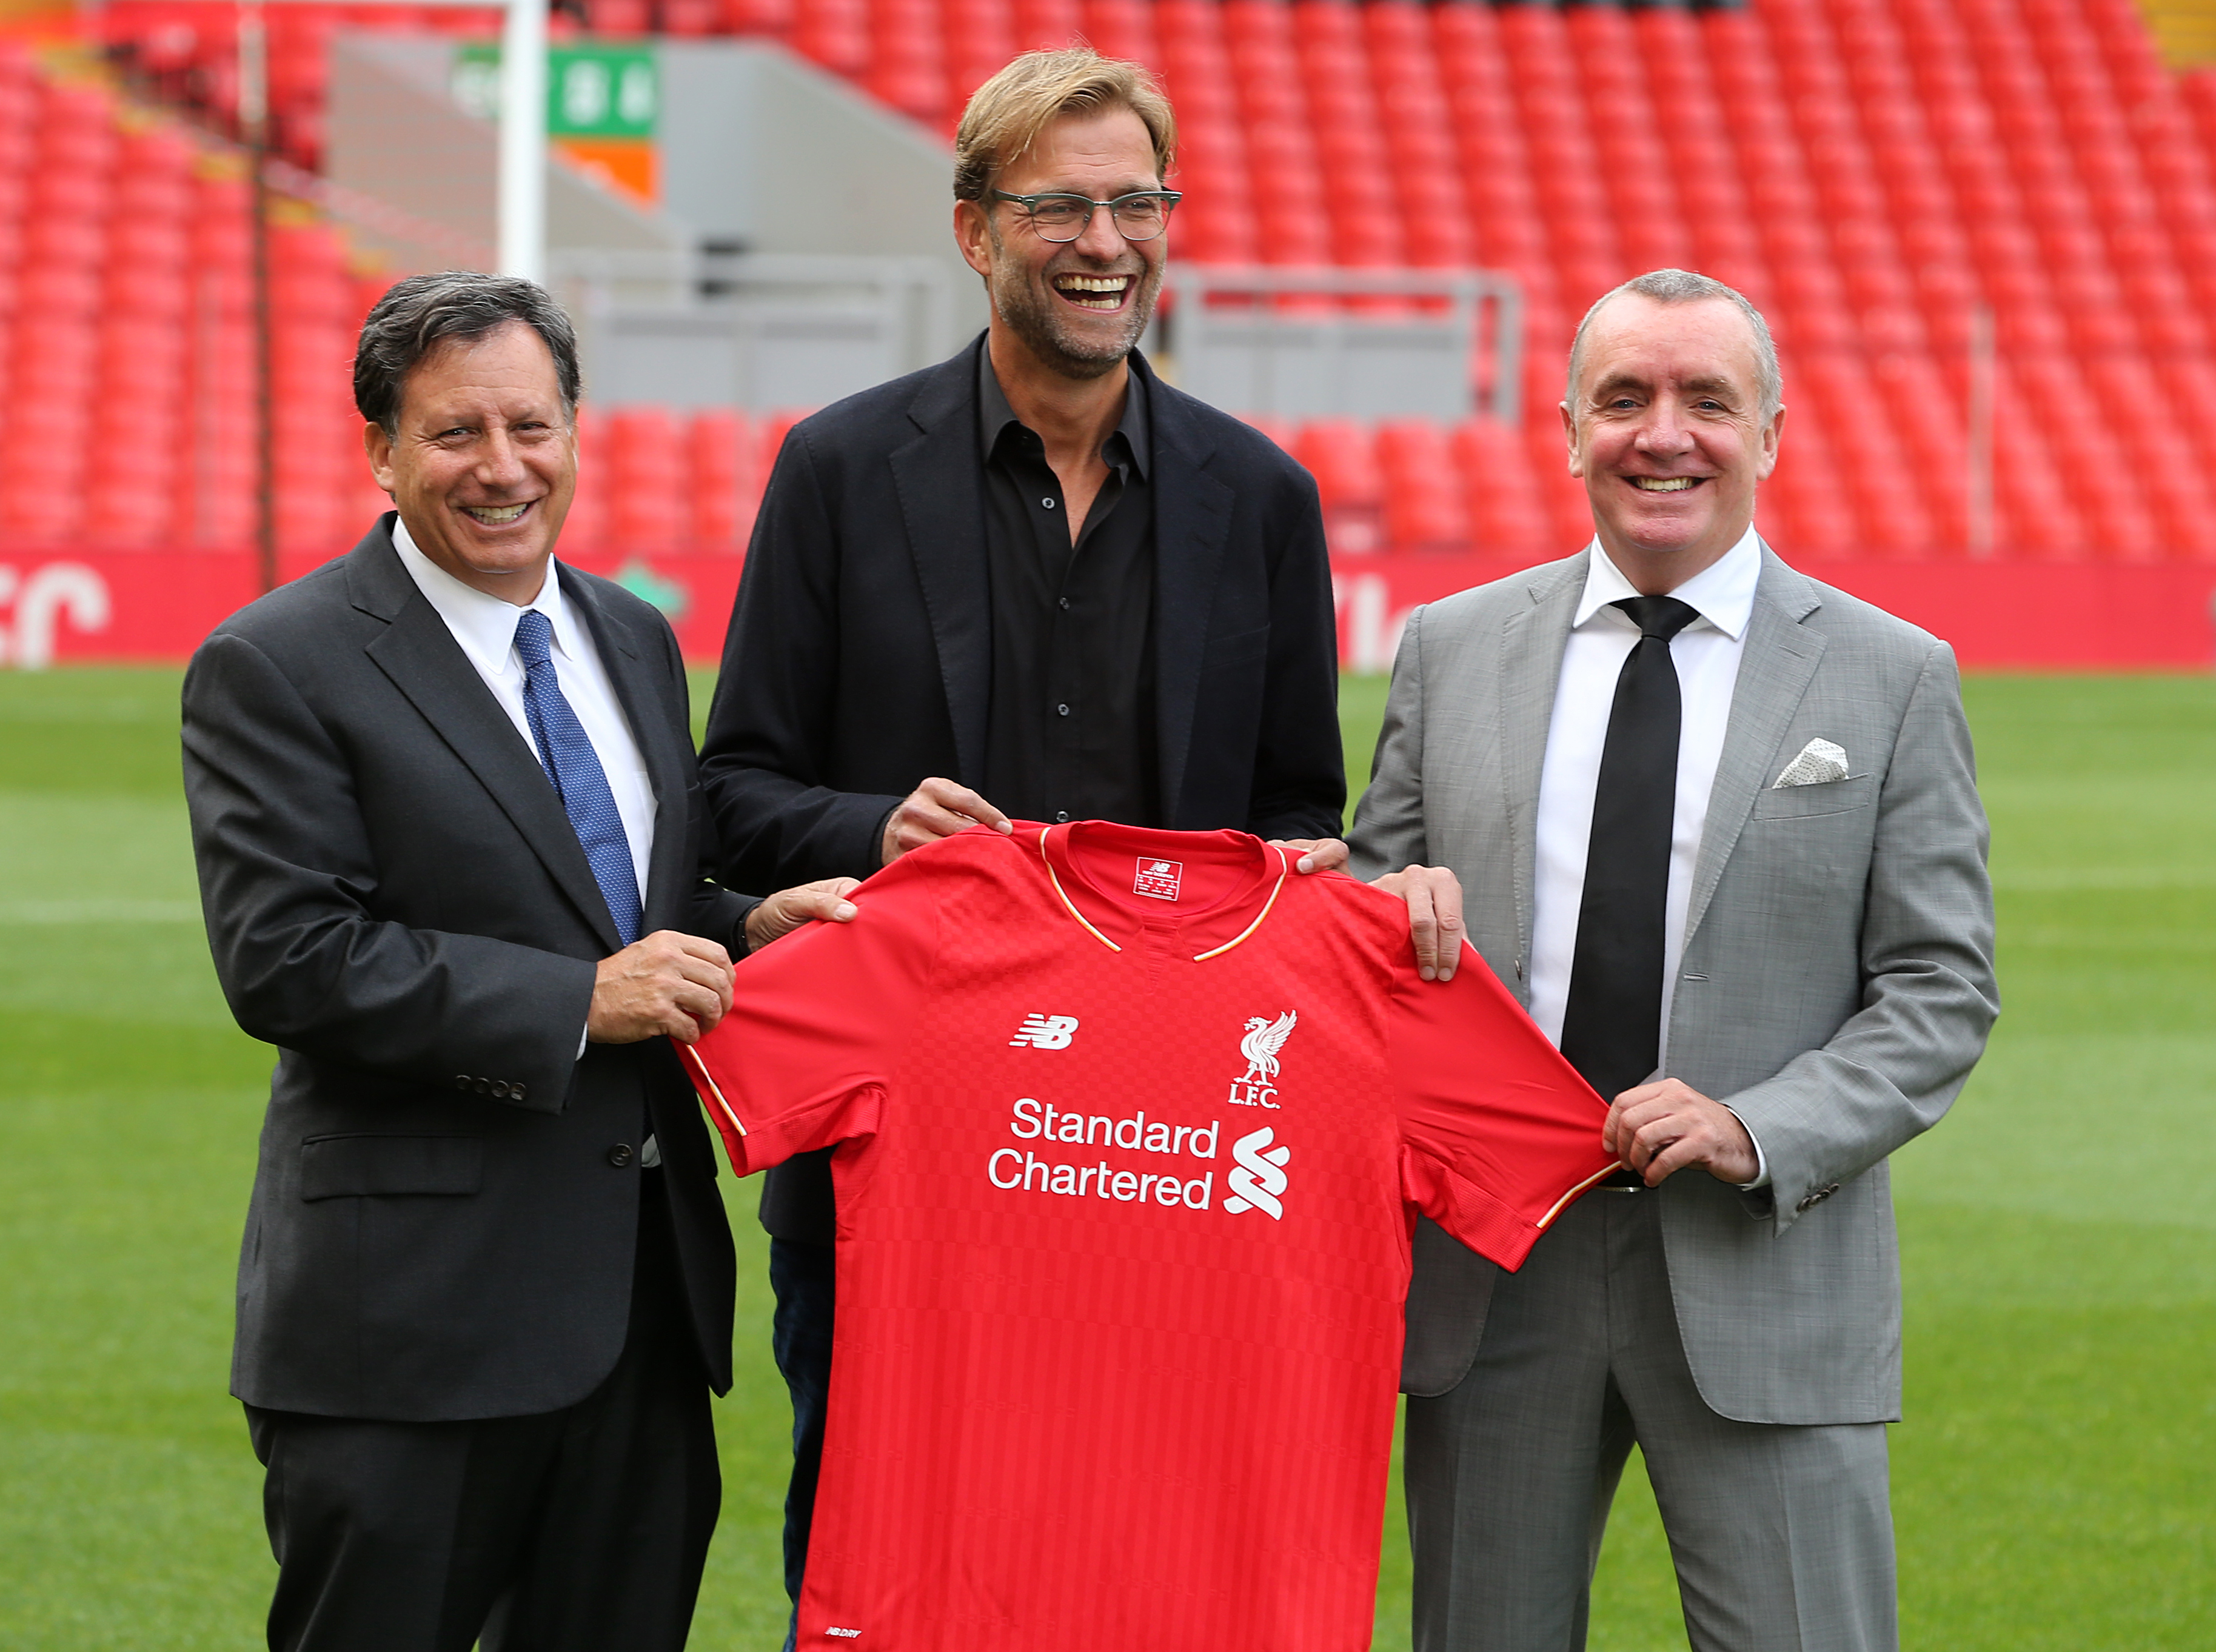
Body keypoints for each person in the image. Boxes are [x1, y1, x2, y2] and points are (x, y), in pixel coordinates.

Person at [698, 47, 1459, 1644]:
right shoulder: (839, 470)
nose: (1100, 238)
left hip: (1162, 1175)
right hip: (901, 1165)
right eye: (1058, 205)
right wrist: (868, 825)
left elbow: (1292, 821)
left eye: (1132, 201)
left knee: (1152, 1556)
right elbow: (731, 791)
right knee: (880, 1558)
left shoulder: (1260, 498)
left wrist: (1334, 885)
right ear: (974, 230)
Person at [181, 272, 854, 1651]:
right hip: (408, 1333)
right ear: (379, 448)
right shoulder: (278, 660)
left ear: (574, 428)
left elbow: (622, 899)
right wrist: (575, 1005)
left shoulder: (633, 635)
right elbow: (288, 958)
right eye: (454, 433)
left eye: (531, 426)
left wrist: (744, 926)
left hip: (641, 1316)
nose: (503, 468)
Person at [1350, 269, 1998, 1651]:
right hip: (1493, 1269)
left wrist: (1753, 1124)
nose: (1663, 434)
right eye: (1624, 398)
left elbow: (1939, 989)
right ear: (1567, 426)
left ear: (1767, 432)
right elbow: (1367, 909)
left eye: (1707, 399)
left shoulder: (1889, 675)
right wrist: (1380, 909)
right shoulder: (1451, 650)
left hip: (1763, 1273)